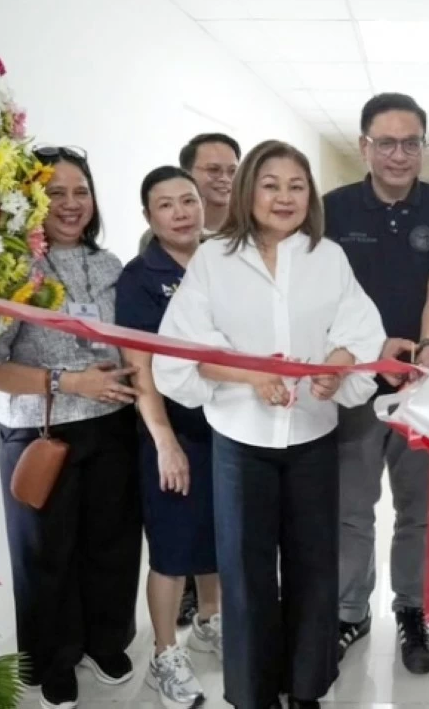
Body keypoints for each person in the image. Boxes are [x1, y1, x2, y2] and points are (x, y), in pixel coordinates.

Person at [153, 140, 386, 709]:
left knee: (313, 567)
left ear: (311, 196)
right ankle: (254, 692)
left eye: (297, 186)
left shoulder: (327, 256)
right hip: (242, 442)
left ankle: (307, 687)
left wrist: (337, 367)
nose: (284, 197)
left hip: (311, 437)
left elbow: (359, 332)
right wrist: (250, 377)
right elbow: (182, 351)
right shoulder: (214, 260)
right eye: (271, 184)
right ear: (246, 190)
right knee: (246, 572)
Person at [0, 146, 142, 709]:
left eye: (80, 191)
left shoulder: (111, 265)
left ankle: (106, 641)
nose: (70, 204)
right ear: (31, 200)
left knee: (111, 547)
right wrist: (69, 382)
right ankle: (54, 660)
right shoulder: (8, 270)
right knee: (45, 555)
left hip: (112, 427)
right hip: (40, 435)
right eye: (55, 192)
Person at [323, 93, 429, 674]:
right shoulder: (332, 210)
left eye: (411, 142)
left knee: (422, 510)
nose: (399, 154)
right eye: (386, 142)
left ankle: (412, 611)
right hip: (357, 388)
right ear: (364, 146)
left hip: (425, 389)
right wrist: (364, 358)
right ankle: (349, 611)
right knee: (351, 508)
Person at [115, 167, 215, 708]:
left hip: (223, 425)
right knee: (173, 548)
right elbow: (140, 369)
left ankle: (210, 622)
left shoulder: (222, 261)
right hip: (173, 431)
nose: (181, 213)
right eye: (166, 205)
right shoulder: (139, 278)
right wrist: (165, 442)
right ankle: (164, 654)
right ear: (149, 217)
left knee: (216, 538)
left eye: (188, 200)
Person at [173, 132, 238, 633]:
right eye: (211, 169)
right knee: (191, 502)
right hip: (186, 398)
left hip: (240, 393)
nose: (222, 178)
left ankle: (229, 592)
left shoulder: (248, 234)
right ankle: (195, 594)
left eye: (230, 168)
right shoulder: (164, 243)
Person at [180, 132, 241, 237]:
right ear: (187, 174)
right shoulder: (165, 235)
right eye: (213, 169)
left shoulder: (255, 233)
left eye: (233, 171)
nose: (225, 179)